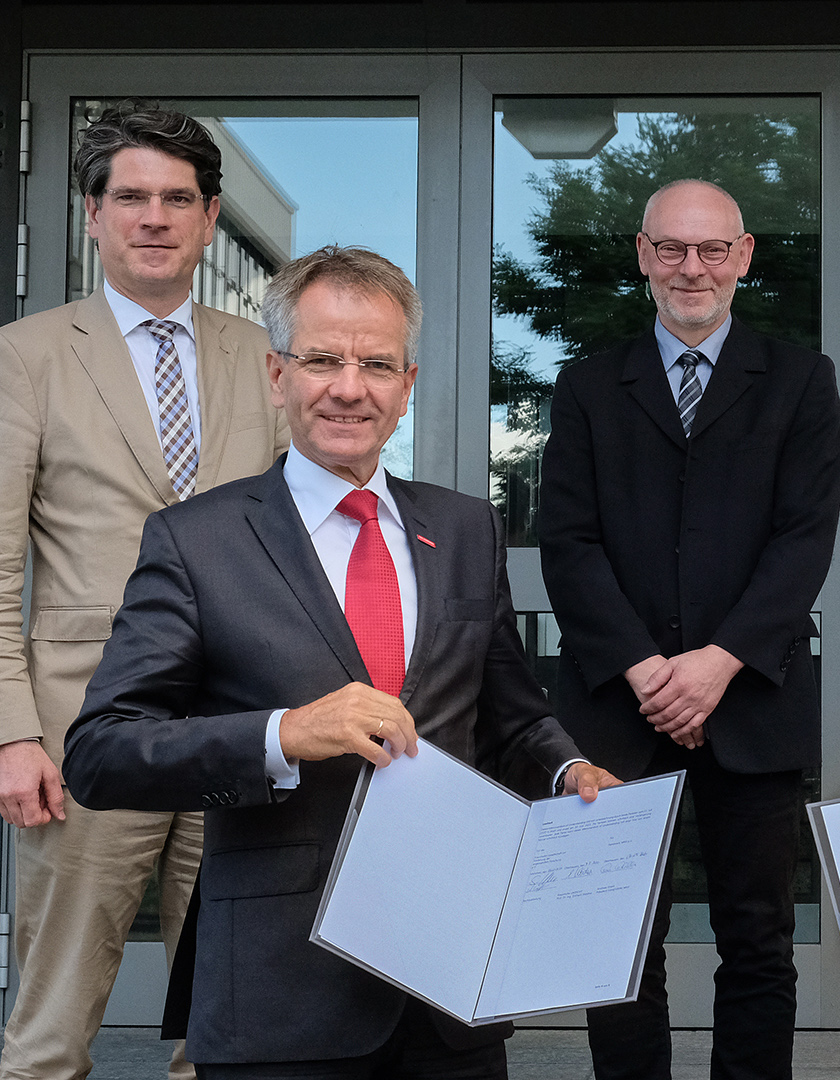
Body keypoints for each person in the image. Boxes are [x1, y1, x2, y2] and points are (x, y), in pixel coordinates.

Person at [62, 245, 619, 1079]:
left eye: (376, 365)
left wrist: (569, 766)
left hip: (449, 989)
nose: (349, 388)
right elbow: (100, 753)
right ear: (277, 373)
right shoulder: (197, 540)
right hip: (281, 996)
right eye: (322, 360)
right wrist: (284, 735)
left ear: (408, 383)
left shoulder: (467, 529)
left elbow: (509, 710)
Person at [0, 103, 288, 1080]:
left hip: (242, 726)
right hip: (84, 728)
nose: (153, 217)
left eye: (177, 199)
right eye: (130, 197)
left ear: (211, 221)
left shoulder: (264, 359)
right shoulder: (26, 356)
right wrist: (11, 732)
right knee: (50, 1032)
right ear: (93, 216)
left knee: (229, 1027)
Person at [538, 178, 840, 1080]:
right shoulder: (589, 385)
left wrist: (716, 665)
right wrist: (644, 668)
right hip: (615, 711)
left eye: (713, 250)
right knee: (619, 944)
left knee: (757, 938)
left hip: (752, 704)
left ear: (744, 257)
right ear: (643, 255)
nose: (692, 268)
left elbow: (805, 538)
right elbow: (567, 541)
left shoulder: (800, 380)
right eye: (672, 249)